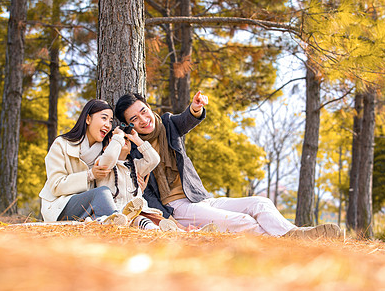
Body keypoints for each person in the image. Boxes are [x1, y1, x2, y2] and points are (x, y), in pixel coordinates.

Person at [114, 91, 342, 239]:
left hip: (200, 198)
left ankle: (294, 234)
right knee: (241, 222)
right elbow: (148, 195)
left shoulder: (168, 124)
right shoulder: (132, 151)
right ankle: (287, 243)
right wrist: (167, 219)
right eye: (134, 119)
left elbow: (186, 120)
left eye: (143, 111)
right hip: (178, 209)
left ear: (147, 106)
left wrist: (195, 108)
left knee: (260, 202)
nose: (143, 120)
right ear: (127, 124)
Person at [39, 99, 128, 225]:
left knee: (105, 196)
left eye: (110, 121)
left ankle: (113, 221)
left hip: (89, 209)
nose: (108, 125)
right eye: (104, 118)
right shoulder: (61, 144)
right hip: (59, 207)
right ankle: (115, 223)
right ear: (88, 119)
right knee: (102, 192)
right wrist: (90, 175)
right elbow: (56, 186)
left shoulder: (103, 152)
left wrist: (118, 139)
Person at [95, 123, 181, 231]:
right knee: (139, 220)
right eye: (119, 139)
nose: (124, 140)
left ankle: (186, 232)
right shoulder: (103, 165)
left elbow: (154, 159)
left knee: (159, 220)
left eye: (126, 139)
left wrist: (136, 139)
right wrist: (118, 136)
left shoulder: (135, 165)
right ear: (105, 148)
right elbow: (110, 156)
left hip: (142, 211)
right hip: (117, 212)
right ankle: (153, 229)